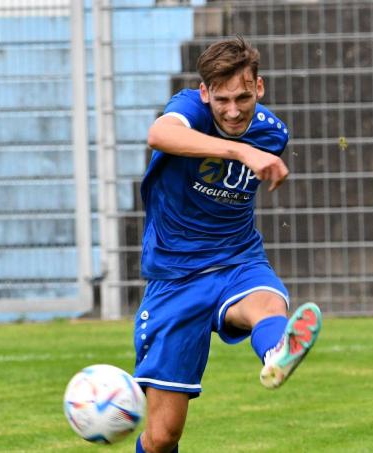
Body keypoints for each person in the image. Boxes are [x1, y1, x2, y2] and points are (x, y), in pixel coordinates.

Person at [134, 36, 322, 453]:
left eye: (242, 97)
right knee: (163, 436)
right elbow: (158, 134)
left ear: (260, 87)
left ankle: (276, 351)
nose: (233, 110)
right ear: (205, 93)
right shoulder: (187, 109)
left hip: (238, 259)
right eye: (221, 99)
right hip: (175, 277)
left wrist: (246, 151)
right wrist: (239, 152)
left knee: (268, 304)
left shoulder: (272, 135)